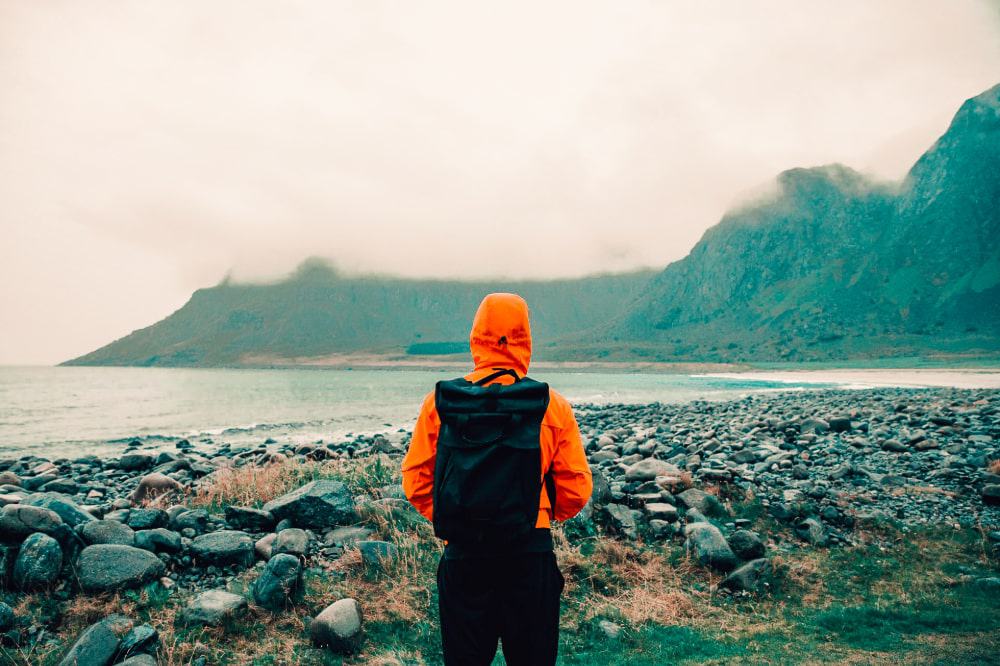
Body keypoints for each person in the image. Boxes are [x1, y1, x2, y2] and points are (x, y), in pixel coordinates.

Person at [402, 292, 593, 666]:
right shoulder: (551, 404)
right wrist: (541, 514)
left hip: (464, 555)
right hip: (529, 553)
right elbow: (575, 489)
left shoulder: (441, 403)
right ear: (525, 338)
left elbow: (416, 481)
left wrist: (456, 517)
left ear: (476, 337)